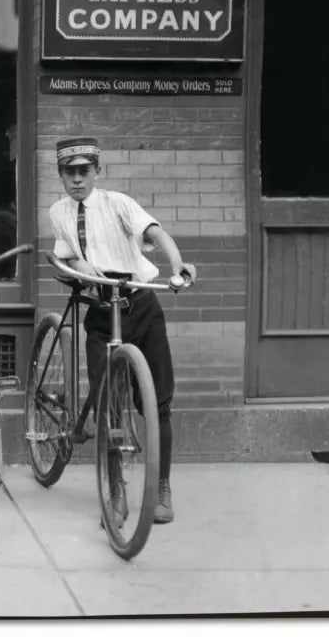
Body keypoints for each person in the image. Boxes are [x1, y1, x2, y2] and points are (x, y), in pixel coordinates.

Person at [46, 136, 197, 526]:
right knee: (108, 407)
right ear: (60, 175)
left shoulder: (119, 204)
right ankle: (115, 493)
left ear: (98, 171)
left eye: (84, 171)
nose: (77, 180)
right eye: (69, 172)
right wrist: (80, 268)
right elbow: (63, 253)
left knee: (156, 402)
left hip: (140, 306)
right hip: (100, 311)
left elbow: (156, 234)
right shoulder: (58, 212)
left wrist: (178, 265)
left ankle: (161, 487)